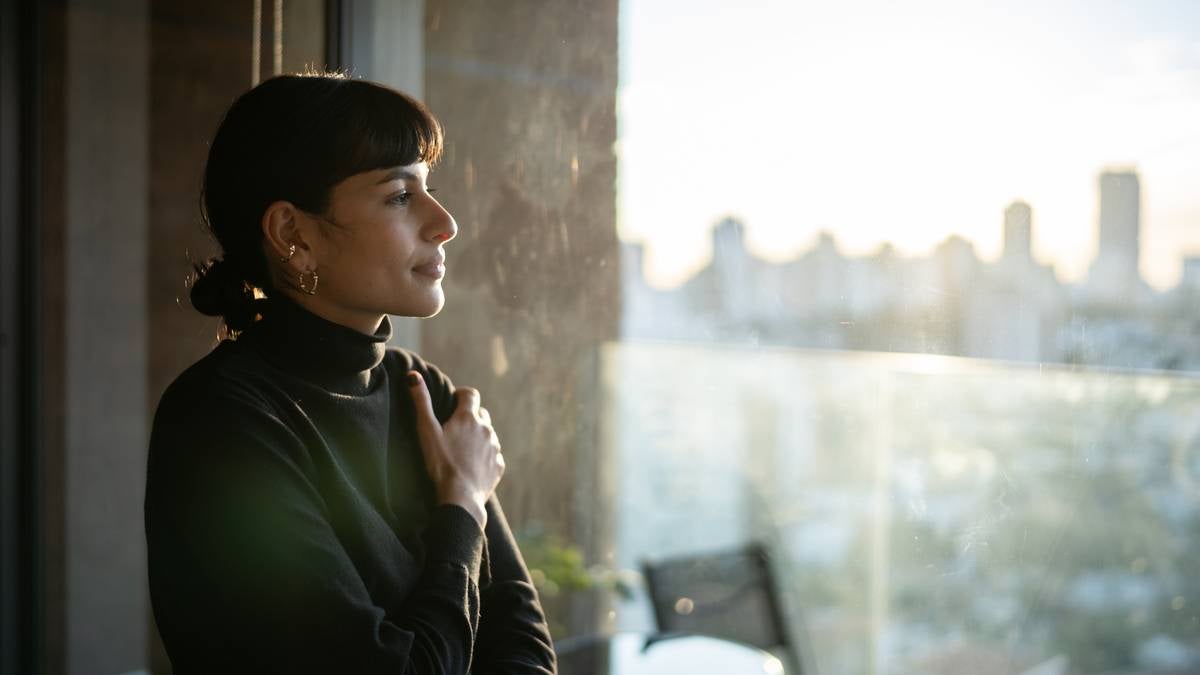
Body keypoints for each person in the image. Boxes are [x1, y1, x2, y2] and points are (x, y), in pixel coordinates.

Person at [144, 73, 557, 674]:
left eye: (428, 188)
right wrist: (463, 506)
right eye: (398, 196)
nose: (445, 222)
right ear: (294, 235)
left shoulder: (424, 390)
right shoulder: (222, 423)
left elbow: (521, 642)